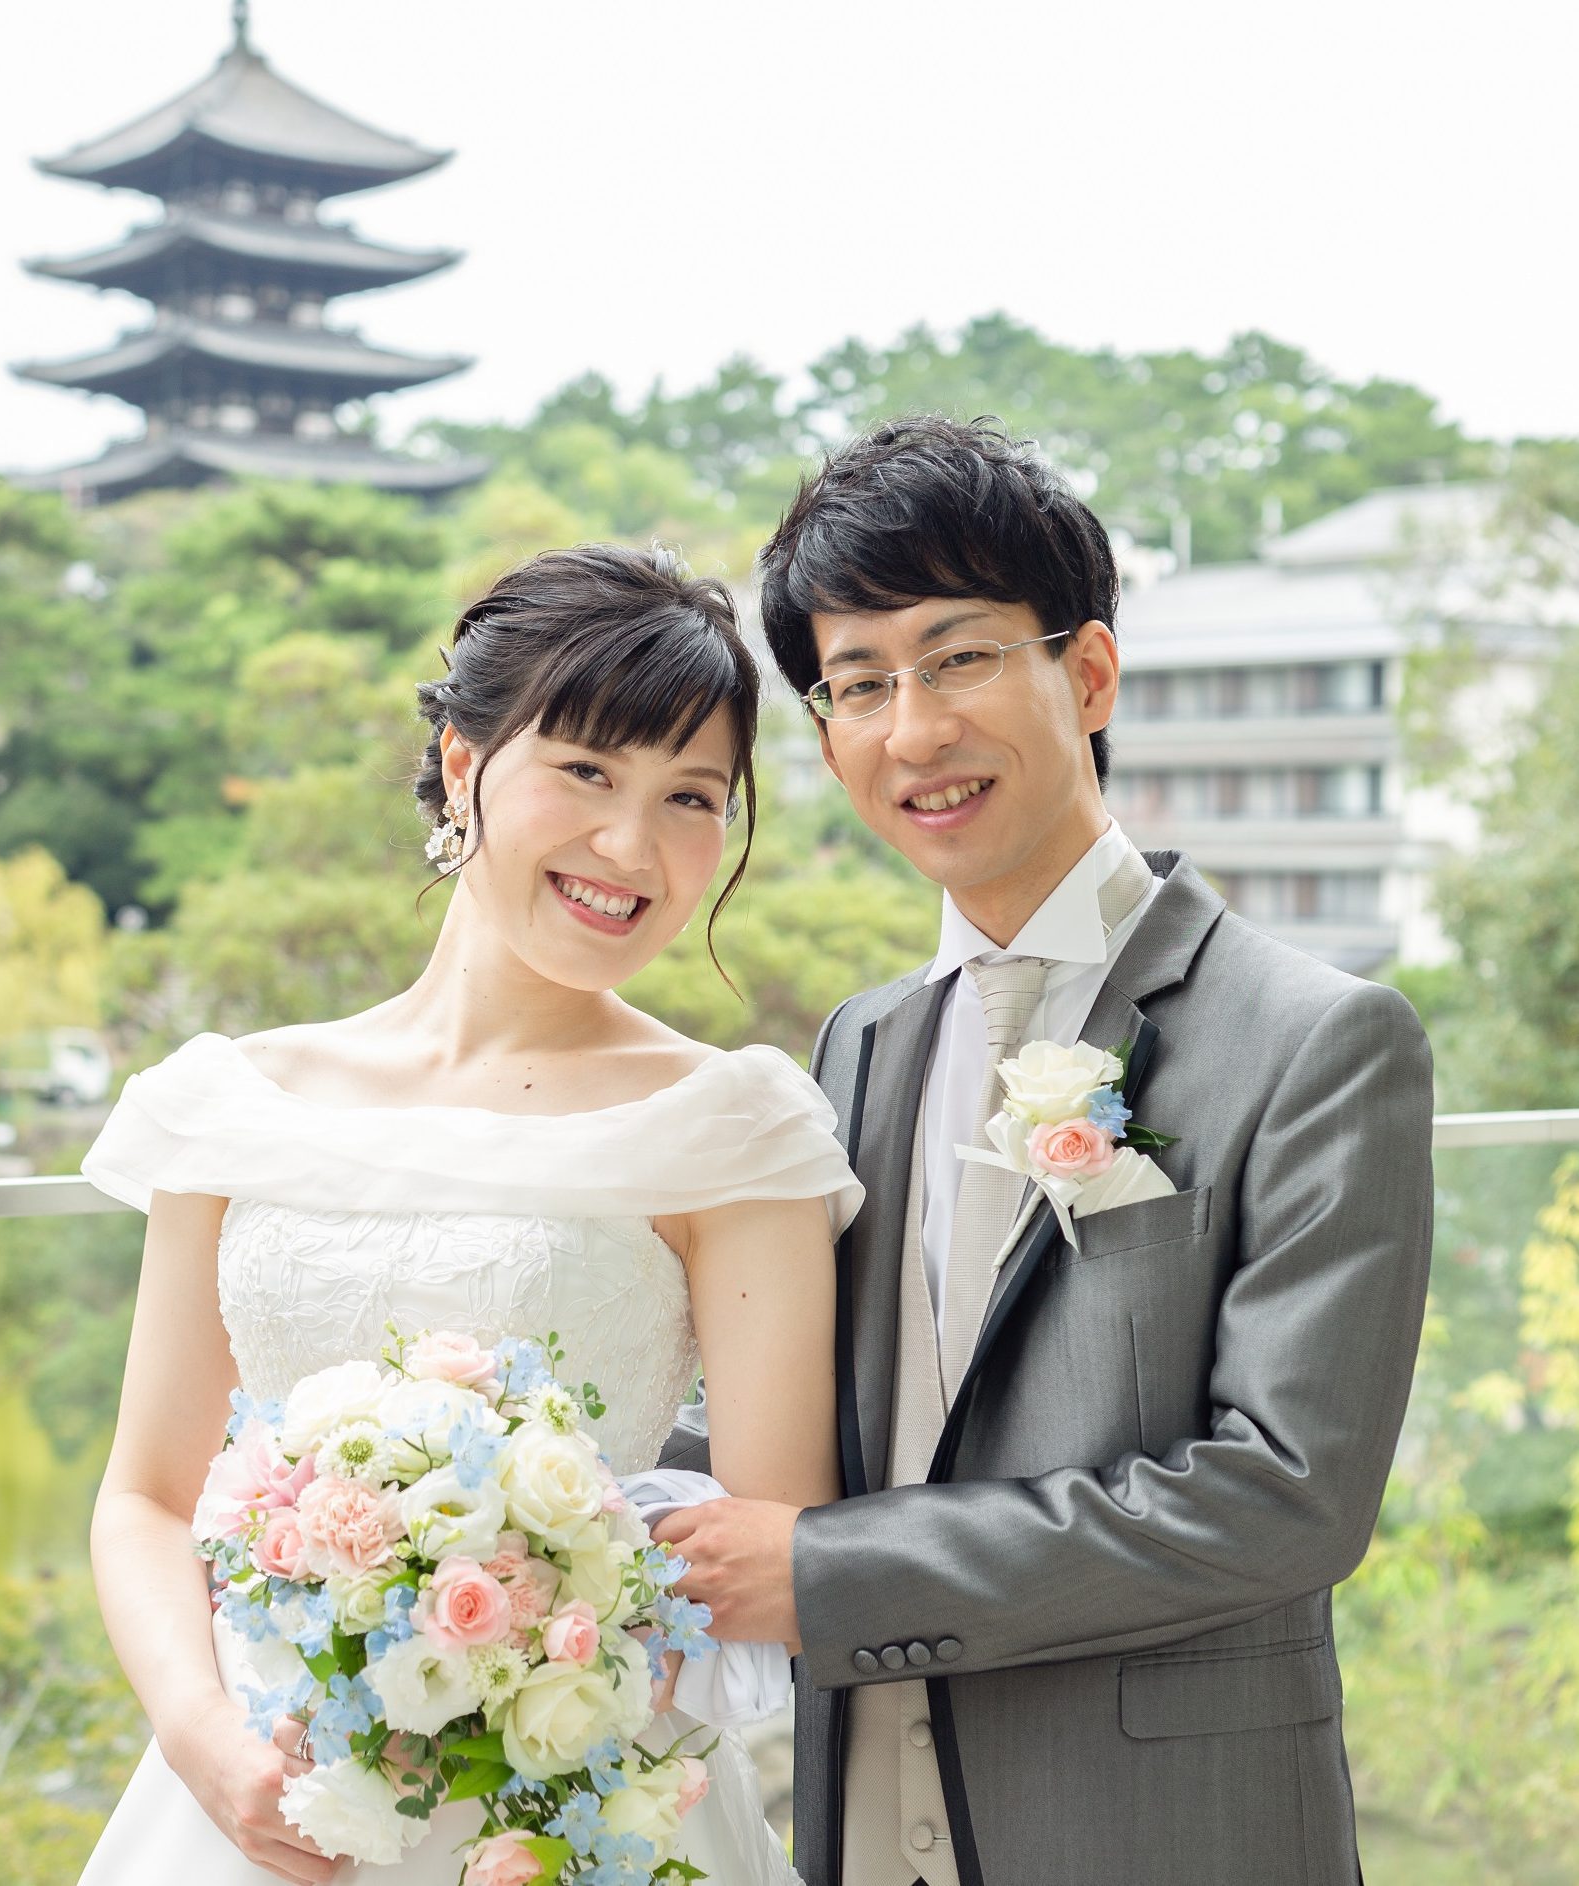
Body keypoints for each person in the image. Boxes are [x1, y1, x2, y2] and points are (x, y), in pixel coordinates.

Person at [655, 417, 1435, 1886]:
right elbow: (819, 1403)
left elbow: (1285, 1496)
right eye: (859, 683)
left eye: (956, 658)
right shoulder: (859, 1043)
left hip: (1161, 1838)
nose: (912, 732)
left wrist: (821, 1576)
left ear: (1087, 674)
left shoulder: (1319, 1038)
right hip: (860, 1822)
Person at [73, 543, 861, 1884]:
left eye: (690, 797)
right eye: (586, 771)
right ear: (460, 763)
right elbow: (147, 1495)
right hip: (263, 1795)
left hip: (576, 1801)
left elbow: (766, 1544)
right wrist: (205, 1740)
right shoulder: (233, 1102)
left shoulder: (731, 1126)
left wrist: (521, 1687)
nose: (632, 847)